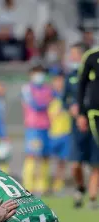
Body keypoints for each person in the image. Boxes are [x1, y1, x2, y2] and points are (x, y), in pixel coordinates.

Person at [62, 43, 88, 208]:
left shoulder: (93, 75)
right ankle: (80, 187)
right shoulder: (70, 76)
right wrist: (69, 107)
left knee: (95, 165)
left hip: (93, 125)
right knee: (75, 164)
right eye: (71, 54)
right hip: (75, 128)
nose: (72, 58)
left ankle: (92, 196)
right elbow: (64, 99)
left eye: (75, 55)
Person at [21, 65, 53, 194]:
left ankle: (43, 186)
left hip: (45, 126)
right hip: (33, 127)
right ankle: (28, 185)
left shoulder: (47, 88)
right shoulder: (27, 89)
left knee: (45, 156)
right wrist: (45, 102)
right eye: (36, 73)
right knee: (32, 155)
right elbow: (36, 105)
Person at [76, 45, 99, 209]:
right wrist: (81, 113)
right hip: (95, 113)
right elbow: (81, 85)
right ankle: (91, 195)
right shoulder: (91, 56)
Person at [48, 72, 71, 194]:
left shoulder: (68, 97)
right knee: (48, 160)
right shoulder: (49, 96)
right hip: (52, 133)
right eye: (56, 80)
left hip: (66, 133)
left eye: (61, 81)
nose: (59, 83)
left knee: (62, 162)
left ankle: (58, 186)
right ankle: (45, 185)